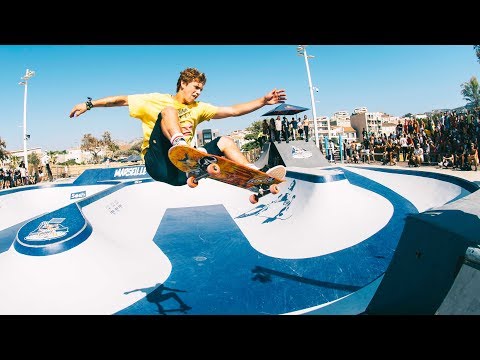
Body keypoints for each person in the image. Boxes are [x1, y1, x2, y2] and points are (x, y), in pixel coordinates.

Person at [69, 68, 287, 186]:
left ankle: (256, 175)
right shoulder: (155, 99)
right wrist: (89, 104)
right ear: (183, 84)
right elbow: (122, 100)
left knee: (226, 141)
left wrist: (262, 101)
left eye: (201, 89)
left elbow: (231, 111)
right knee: (168, 111)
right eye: (195, 87)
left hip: (180, 173)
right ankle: (179, 143)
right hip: (158, 162)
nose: (198, 92)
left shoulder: (199, 108)